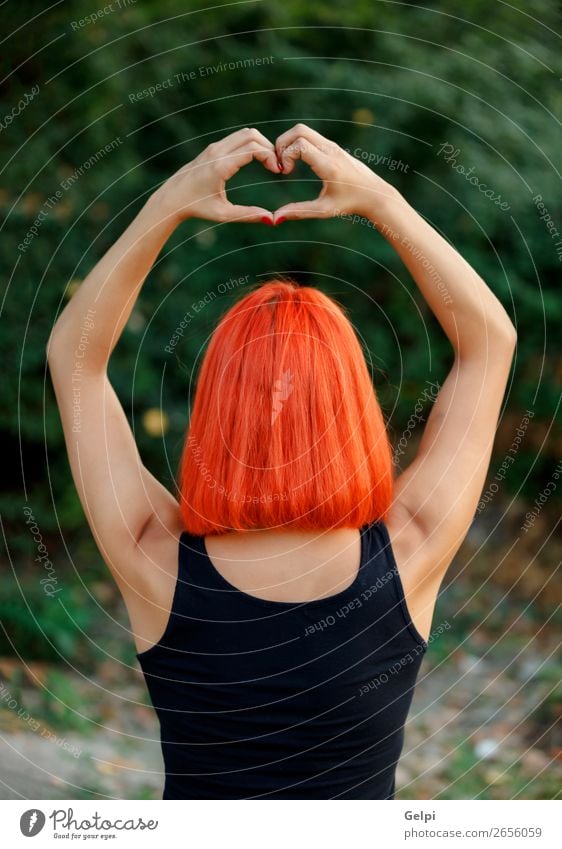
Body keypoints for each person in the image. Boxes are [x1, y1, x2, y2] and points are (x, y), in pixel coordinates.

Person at [46, 124, 517, 799]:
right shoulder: (410, 547)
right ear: (347, 406)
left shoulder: (155, 556)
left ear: (217, 409)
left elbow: (77, 360)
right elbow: (490, 342)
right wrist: (381, 199)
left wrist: (167, 203)